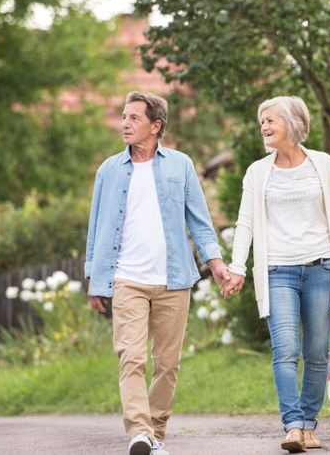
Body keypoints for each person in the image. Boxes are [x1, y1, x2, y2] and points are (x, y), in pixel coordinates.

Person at [223, 96, 330, 453]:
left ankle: (309, 425)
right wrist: (236, 268)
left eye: (270, 120)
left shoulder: (322, 164)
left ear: (292, 124)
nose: (264, 127)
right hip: (278, 271)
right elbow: (245, 222)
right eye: (262, 121)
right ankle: (292, 425)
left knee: (318, 351)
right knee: (286, 349)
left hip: (320, 267)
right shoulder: (258, 172)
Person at [84, 91, 231, 455]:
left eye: (133, 118)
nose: (124, 124)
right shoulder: (108, 170)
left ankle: (156, 436)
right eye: (123, 117)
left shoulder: (180, 165)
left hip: (173, 279)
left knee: (167, 364)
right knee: (131, 357)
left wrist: (216, 264)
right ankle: (138, 431)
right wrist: (95, 279)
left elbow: (199, 221)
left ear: (155, 125)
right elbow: (96, 228)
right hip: (126, 278)